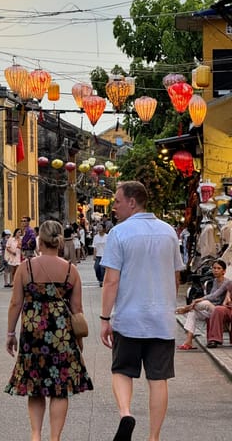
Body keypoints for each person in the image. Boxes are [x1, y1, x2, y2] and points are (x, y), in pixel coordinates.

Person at [100, 181, 184, 441]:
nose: (113, 207)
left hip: (129, 318)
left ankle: (126, 414)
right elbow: (176, 277)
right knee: (158, 379)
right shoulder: (169, 232)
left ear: (132, 202)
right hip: (162, 318)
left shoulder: (119, 233)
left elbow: (111, 280)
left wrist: (105, 318)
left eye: (117, 201)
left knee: (122, 370)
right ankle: (154, 437)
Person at [4, 220, 93, 441]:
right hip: (62, 335)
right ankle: (55, 438)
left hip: (32, 334)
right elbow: (77, 309)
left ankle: (36, 435)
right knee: (60, 388)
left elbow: (16, 303)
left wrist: (10, 334)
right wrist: (79, 340)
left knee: (35, 385)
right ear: (59, 240)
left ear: (39, 240)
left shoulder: (26, 268)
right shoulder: (70, 270)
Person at [176, 259, 228, 350]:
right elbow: (211, 297)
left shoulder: (227, 282)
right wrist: (198, 301)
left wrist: (199, 299)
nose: (215, 270)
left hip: (219, 311)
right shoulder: (215, 281)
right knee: (193, 312)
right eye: (214, 268)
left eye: (218, 268)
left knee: (206, 303)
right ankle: (188, 342)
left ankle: (186, 308)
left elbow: (214, 296)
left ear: (224, 271)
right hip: (211, 310)